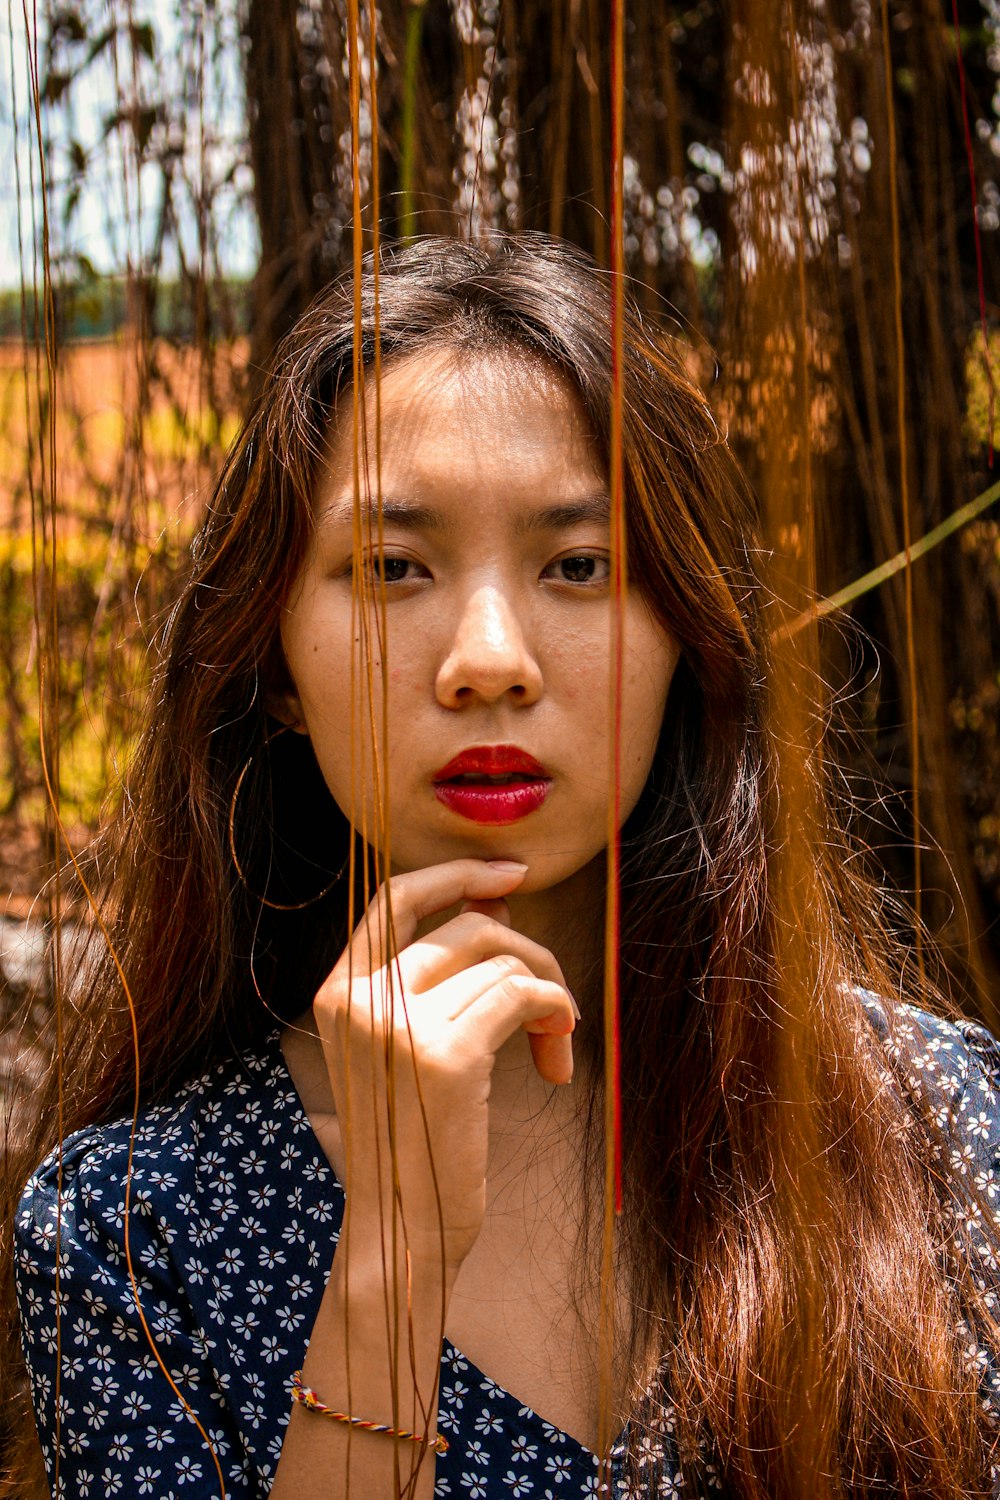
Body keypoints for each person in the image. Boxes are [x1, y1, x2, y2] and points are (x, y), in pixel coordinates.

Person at [5, 233, 1000, 1500]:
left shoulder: (936, 1128)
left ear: (685, 640)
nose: (488, 658)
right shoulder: (136, 1240)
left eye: (579, 565)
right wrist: (393, 1259)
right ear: (274, 671)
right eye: (393, 567)